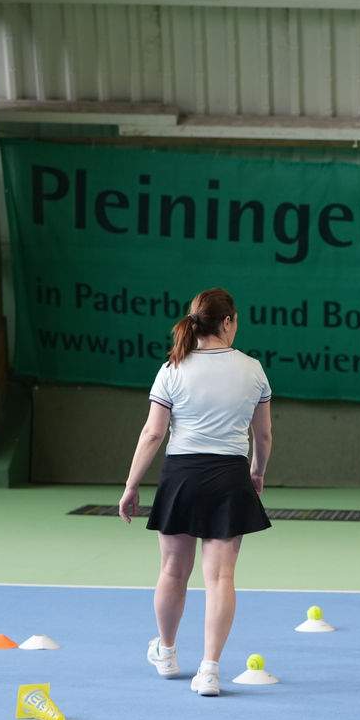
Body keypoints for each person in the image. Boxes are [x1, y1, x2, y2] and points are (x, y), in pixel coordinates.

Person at [118, 287, 273, 697]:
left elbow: (153, 433)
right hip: (229, 476)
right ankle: (209, 671)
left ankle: (166, 653)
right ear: (227, 322)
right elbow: (264, 434)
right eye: (235, 320)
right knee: (220, 576)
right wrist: (256, 473)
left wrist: (132, 484)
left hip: (181, 476)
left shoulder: (171, 369)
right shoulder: (253, 370)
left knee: (172, 571)